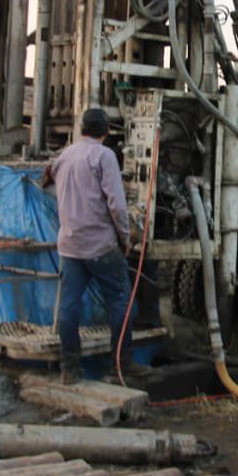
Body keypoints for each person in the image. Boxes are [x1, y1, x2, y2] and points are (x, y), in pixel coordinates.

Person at [46, 107, 144, 384]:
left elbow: (51, 180)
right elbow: (116, 202)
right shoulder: (105, 156)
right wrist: (125, 237)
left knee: (69, 306)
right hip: (101, 245)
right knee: (120, 302)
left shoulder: (65, 155)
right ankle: (120, 367)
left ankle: (69, 369)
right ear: (106, 131)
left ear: (81, 129)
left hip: (70, 245)